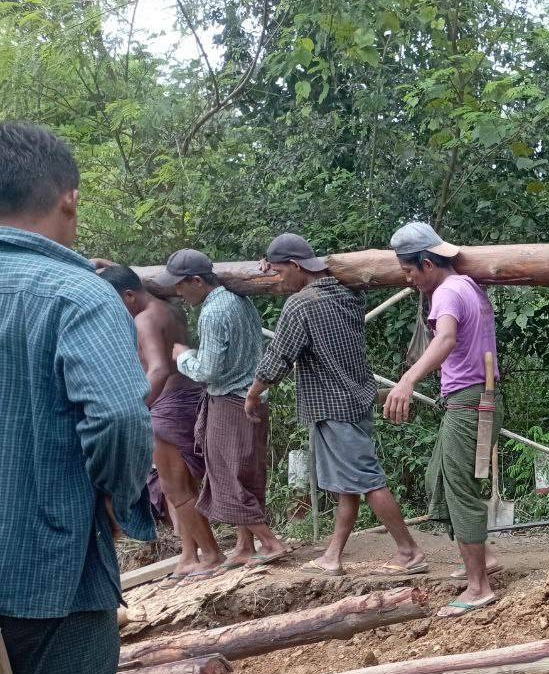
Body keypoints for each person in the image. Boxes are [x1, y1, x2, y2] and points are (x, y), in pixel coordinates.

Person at [0, 122, 188, 674]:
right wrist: (118, 499)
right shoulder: (75, 294)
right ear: (68, 201)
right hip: (45, 566)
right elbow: (115, 414)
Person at [247, 233, 425, 576]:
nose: (280, 281)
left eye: (281, 272)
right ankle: (333, 555)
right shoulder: (348, 294)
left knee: (367, 481)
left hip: (333, 407)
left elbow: (277, 360)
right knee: (349, 485)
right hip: (356, 400)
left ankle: (409, 551)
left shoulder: (301, 305)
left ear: (296, 266)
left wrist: (253, 394)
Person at [383, 221, 501, 617]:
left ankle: (478, 585)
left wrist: (407, 380)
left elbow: (446, 338)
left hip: (468, 401)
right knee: (441, 478)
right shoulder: (468, 286)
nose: (408, 278)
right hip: (473, 398)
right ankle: (485, 558)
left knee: (461, 490)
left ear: (428, 263)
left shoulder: (447, 292)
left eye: (409, 271)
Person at [157, 248, 287, 568]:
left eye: (180, 285)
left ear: (197, 281)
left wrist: (183, 356)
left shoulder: (213, 313)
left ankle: (270, 544)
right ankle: (245, 545)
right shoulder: (240, 300)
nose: (178, 292)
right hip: (251, 397)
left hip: (229, 401)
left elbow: (209, 372)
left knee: (227, 477)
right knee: (247, 474)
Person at [98, 264, 224, 585]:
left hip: (166, 406)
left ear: (129, 296)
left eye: (115, 302)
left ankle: (210, 554)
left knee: (175, 489)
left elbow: (157, 370)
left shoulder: (143, 320)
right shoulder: (168, 307)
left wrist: (136, 408)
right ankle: (187, 555)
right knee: (182, 484)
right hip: (189, 398)